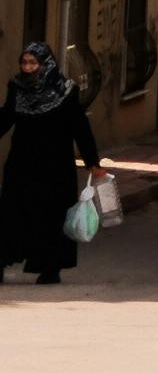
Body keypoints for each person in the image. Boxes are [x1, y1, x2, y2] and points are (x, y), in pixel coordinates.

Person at [0, 39, 101, 282]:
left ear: (44, 63)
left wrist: (92, 162)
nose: (27, 68)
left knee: (51, 217)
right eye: (24, 62)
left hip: (54, 167)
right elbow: (6, 117)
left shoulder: (65, 91)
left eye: (33, 63)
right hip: (22, 163)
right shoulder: (17, 88)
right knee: (11, 213)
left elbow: (80, 127)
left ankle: (49, 268)